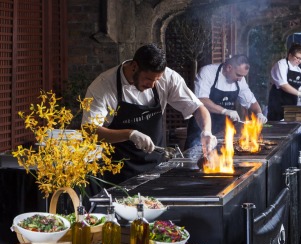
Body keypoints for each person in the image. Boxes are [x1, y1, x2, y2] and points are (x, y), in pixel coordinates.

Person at [82, 43, 216, 184]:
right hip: (119, 171)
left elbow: (197, 107)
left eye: (157, 80)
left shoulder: (168, 78)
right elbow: (89, 130)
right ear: (134, 67)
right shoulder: (103, 86)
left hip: (156, 167)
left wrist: (206, 131)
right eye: (148, 79)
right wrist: (130, 134)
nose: (152, 85)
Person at [185, 54, 267, 150]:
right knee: (195, 157)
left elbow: (250, 101)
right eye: (238, 75)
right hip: (201, 128)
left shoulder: (240, 80)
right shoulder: (207, 72)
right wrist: (225, 111)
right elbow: (201, 99)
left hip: (223, 131)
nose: (240, 79)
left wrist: (259, 113)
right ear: (229, 68)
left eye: (243, 76)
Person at [267, 43, 301, 121]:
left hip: (292, 105)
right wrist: (300, 93)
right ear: (290, 55)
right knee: (277, 127)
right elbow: (283, 85)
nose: (299, 61)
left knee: (291, 126)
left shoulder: (299, 70)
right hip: (278, 103)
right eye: (297, 58)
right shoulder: (281, 64)